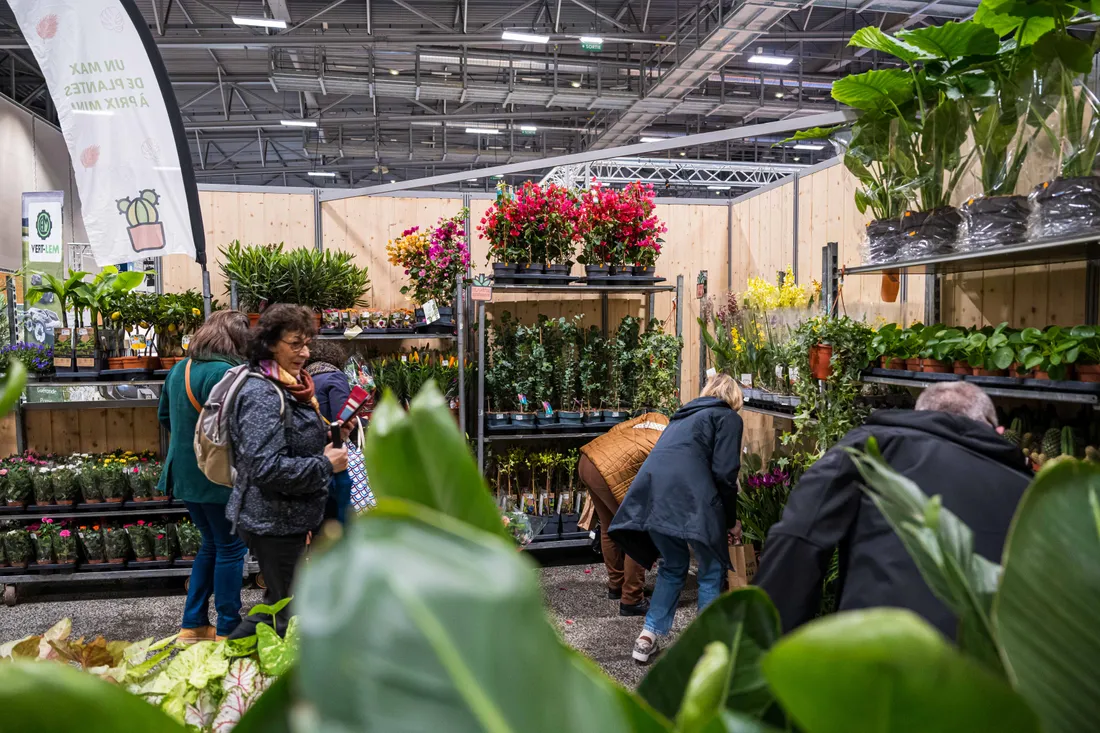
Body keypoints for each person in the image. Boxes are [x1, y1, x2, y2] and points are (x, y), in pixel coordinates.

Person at [753, 381, 1030, 640]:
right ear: (999, 432)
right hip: (985, 677)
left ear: (920, 415)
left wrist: (762, 653)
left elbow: (799, 537)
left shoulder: (870, 448)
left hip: (876, 656)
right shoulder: (1029, 491)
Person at [226, 304, 350, 639]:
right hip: (273, 520)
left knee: (283, 604)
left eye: (306, 343)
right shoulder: (262, 394)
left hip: (289, 515)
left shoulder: (288, 384)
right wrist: (325, 464)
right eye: (296, 344)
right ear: (269, 344)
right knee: (285, 610)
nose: (305, 352)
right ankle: (230, 663)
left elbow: (288, 441)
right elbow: (265, 467)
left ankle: (239, 667)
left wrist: (328, 436)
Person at [610, 373, 744, 664]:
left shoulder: (682, 417)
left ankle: (646, 637)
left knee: (673, 566)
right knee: (710, 571)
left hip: (653, 496)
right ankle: (704, 648)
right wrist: (730, 520)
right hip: (692, 499)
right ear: (735, 397)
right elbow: (724, 473)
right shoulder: (728, 418)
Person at [157, 310, 252, 643]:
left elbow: (164, 416)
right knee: (230, 549)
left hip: (184, 474)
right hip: (217, 477)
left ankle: (193, 624)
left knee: (210, 545)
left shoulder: (178, 369)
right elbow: (240, 427)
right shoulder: (227, 373)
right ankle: (227, 628)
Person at [578, 412, 669, 616]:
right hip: (606, 471)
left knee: (609, 526)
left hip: (589, 458)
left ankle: (617, 585)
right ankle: (632, 598)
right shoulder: (673, 442)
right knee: (637, 532)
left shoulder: (655, 417)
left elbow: (616, 430)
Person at [305, 340, 354, 524]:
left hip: (310, 458)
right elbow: (342, 417)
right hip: (331, 457)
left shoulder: (305, 378)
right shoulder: (335, 376)